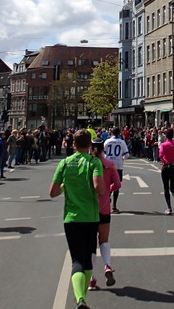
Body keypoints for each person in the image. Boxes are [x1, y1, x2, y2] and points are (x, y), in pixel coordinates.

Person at [50, 129, 105, 309]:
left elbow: (52, 192)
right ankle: (84, 296)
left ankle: (80, 298)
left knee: (77, 260)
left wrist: (66, 185)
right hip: (90, 216)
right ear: (90, 145)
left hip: (71, 218)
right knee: (89, 257)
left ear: (73, 144)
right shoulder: (93, 162)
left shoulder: (65, 163)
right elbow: (99, 188)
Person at [89, 138, 121, 290]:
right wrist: (108, 190)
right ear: (103, 149)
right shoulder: (109, 165)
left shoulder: (88, 164)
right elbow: (118, 184)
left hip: (88, 207)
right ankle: (107, 265)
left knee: (90, 245)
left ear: (91, 149)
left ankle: (92, 279)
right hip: (105, 206)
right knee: (104, 240)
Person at [103, 127, 130, 214]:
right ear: (120, 133)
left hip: (108, 165)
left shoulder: (107, 141)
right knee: (116, 185)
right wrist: (122, 158)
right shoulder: (122, 142)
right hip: (118, 166)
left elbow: (103, 152)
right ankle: (114, 205)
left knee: (107, 184)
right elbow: (127, 155)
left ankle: (106, 201)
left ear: (111, 133)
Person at [158, 127, 174, 214]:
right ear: (173, 136)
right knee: (173, 187)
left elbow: (160, 155)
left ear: (166, 136)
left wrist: (164, 161)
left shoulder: (164, 145)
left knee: (166, 188)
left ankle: (169, 207)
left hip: (166, 167)